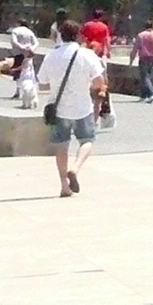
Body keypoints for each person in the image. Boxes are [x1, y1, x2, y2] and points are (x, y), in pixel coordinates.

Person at [38, 20, 106, 197]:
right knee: (87, 140)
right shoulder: (87, 55)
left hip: (59, 109)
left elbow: (43, 85)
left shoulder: (51, 56)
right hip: (82, 107)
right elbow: (99, 82)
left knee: (61, 147)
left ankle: (63, 186)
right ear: (79, 35)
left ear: (60, 34)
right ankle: (75, 168)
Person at [132, 21, 153, 103]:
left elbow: (135, 49)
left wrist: (131, 61)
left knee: (144, 76)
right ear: (152, 26)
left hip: (143, 57)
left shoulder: (141, 35)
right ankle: (143, 95)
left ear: (144, 26)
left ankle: (152, 94)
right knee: (146, 76)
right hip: (152, 58)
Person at [10, 26, 40, 109]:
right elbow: (36, 42)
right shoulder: (30, 32)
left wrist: (21, 47)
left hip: (18, 53)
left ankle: (18, 91)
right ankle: (32, 100)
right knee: (31, 84)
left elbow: (14, 41)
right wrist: (32, 48)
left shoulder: (15, 30)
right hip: (30, 71)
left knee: (18, 76)